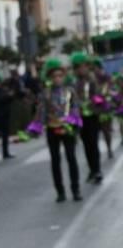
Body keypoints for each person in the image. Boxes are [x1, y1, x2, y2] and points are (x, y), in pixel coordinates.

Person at [26, 59, 82, 203]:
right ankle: (60, 192)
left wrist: (74, 123)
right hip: (52, 129)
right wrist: (36, 127)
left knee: (71, 158)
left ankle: (75, 190)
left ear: (64, 77)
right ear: (50, 78)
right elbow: (41, 112)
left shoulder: (70, 91)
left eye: (60, 75)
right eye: (54, 76)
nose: (57, 78)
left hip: (67, 129)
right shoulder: (45, 94)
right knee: (55, 161)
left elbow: (75, 108)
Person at [72, 52, 103, 184]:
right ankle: (92, 169)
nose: (81, 69)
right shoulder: (74, 82)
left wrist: (92, 102)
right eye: (78, 67)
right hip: (81, 117)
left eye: (83, 66)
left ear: (87, 66)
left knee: (93, 143)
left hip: (92, 115)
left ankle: (97, 170)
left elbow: (99, 96)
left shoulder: (92, 79)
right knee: (86, 144)